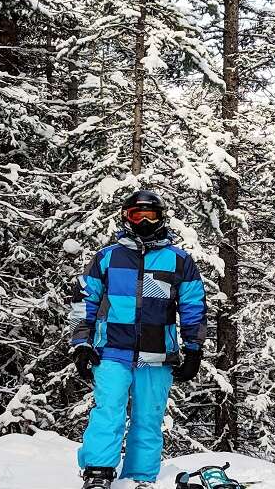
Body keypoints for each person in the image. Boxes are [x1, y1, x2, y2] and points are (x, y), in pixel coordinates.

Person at [70, 190, 207, 489]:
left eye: (150, 215)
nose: (144, 221)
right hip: (111, 351)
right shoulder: (107, 257)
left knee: (148, 417)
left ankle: (139, 477)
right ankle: (97, 472)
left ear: (161, 218)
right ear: (126, 218)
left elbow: (193, 305)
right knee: (108, 411)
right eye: (136, 215)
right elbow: (84, 300)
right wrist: (82, 343)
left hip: (157, 355)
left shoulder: (179, 260)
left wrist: (194, 349)